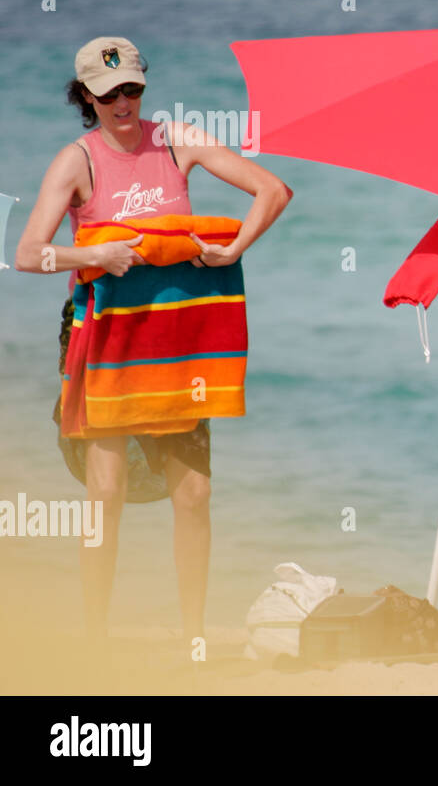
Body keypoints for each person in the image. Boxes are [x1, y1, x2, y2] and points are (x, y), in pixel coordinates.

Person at [14, 36, 292, 646]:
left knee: (194, 495)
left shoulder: (178, 139)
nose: (124, 102)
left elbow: (273, 190)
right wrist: (95, 252)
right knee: (105, 493)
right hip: (107, 341)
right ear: (86, 94)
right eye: (109, 93)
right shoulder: (76, 161)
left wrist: (235, 248)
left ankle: (194, 638)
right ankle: (95, 639)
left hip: (180, 346)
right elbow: (29, 255)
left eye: (133, 88)